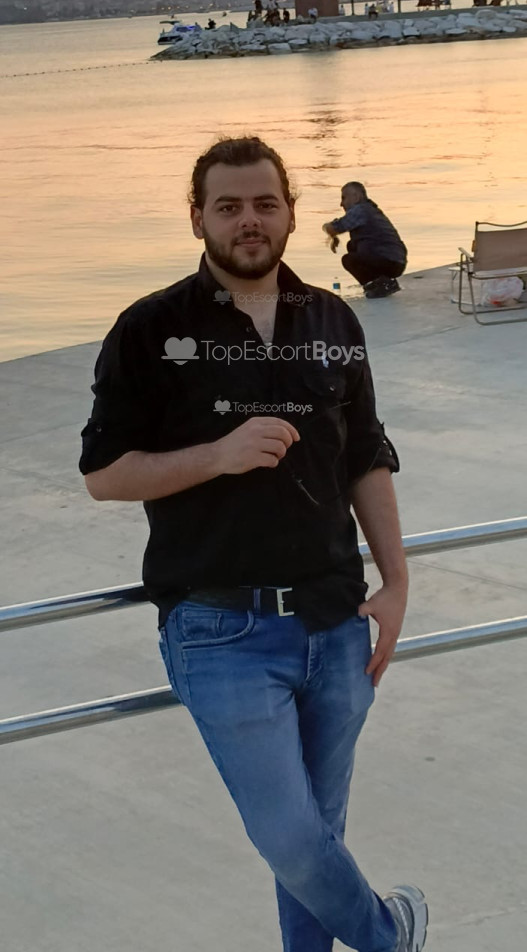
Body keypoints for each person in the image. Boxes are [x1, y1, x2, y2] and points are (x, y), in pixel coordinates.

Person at [80, 136, 428, 952]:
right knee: (290, 839)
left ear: (291, 214)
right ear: (196, 217)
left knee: (318, 841)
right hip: (219, 629)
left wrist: (396, 583)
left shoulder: (332, 320)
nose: (248, 220)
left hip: (336, 622)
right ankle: (391, 935)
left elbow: (364, 455)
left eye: (264, 203)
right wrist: (217, 455)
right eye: (228, 206)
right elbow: (103, 473)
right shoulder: (151, 329)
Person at [323, 181, 407, 298]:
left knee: (348, 260)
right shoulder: (370, 209)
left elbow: (336, 227)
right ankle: (381, 282)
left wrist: (327, 227)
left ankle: (378, 284)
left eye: (344, 198)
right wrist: (333, 235)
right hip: (396, 261)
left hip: (388, 261)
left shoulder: (360, 210)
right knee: (352, 245)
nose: (341, 204)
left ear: (356, 197)